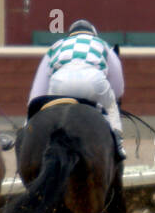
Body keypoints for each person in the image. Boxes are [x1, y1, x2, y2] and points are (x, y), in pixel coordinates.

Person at [27, 20, 127, 160]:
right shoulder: (102, 45)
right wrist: (112, 98)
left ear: (70, 34)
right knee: (111, 107)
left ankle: (34, 145)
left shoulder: (56, 46)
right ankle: (118, 144)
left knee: (50, 113)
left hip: (60, 82)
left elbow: (38, 90)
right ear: (93, 34)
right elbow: (117, 86)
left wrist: (28, 123)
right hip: (93, 81)